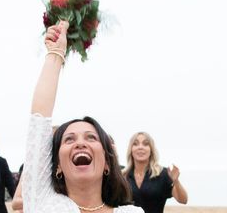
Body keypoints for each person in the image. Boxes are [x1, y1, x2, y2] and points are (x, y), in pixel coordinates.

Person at [22, 20, 142, 212]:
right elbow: (39, 120)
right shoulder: (43, 202)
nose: (80, 143)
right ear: (58, 166)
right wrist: (55, 54)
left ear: (107, 164)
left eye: (91, 137)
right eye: (68, 139)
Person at [123, 132, 188, 213]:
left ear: (151, 150)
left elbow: (183, 200)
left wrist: (176, 181)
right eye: (135, 144)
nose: (140, 147)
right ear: (131, 149)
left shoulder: (163, 174)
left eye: (145, 144)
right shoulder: (123, 176)